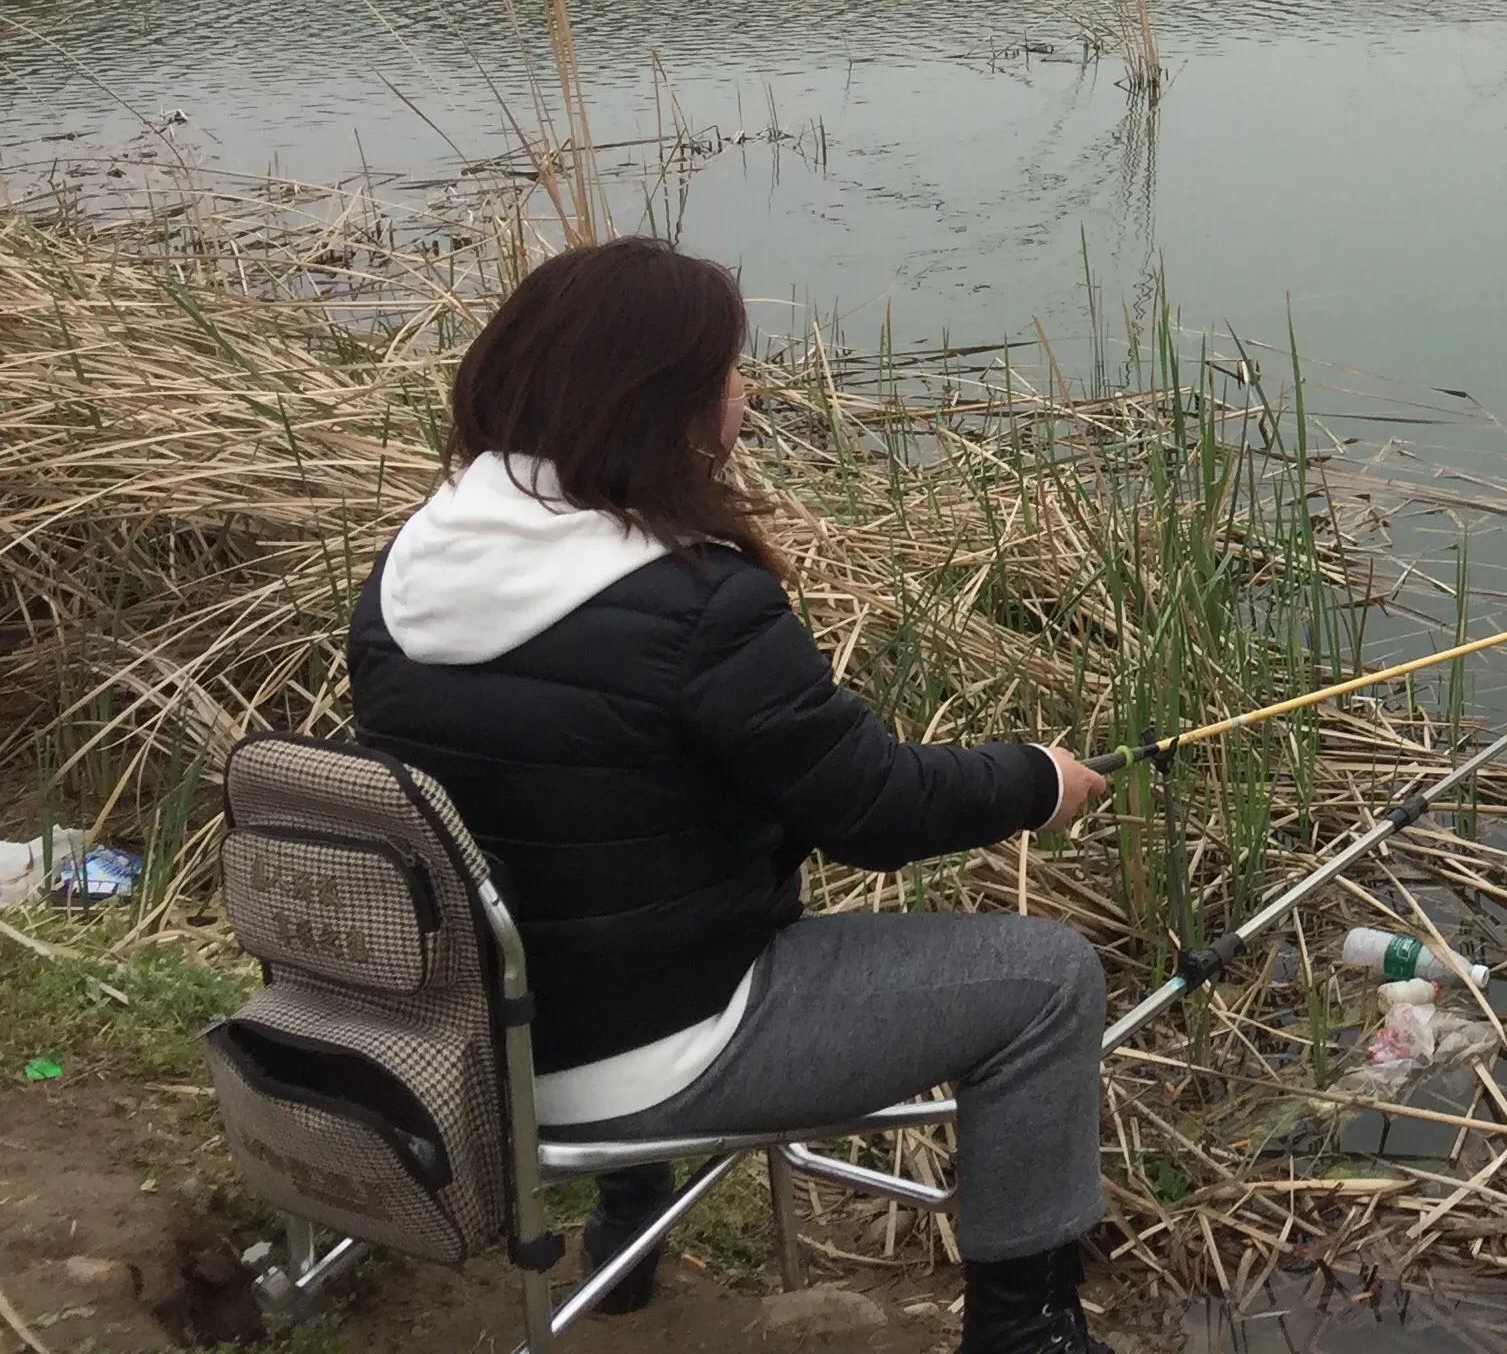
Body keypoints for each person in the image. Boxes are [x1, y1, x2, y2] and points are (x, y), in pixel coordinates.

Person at [349, 237, 1115, 1354]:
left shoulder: (407, 571)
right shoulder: (696, 607)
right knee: (1048, 978)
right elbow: (876, 809)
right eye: (727, 372)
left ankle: (632, 1218)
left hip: (471, 1047)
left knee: (593, 860)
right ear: (664, 404)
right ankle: (1028, 1333)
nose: (742, 392)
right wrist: (1038, 780)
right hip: (654, 1054)